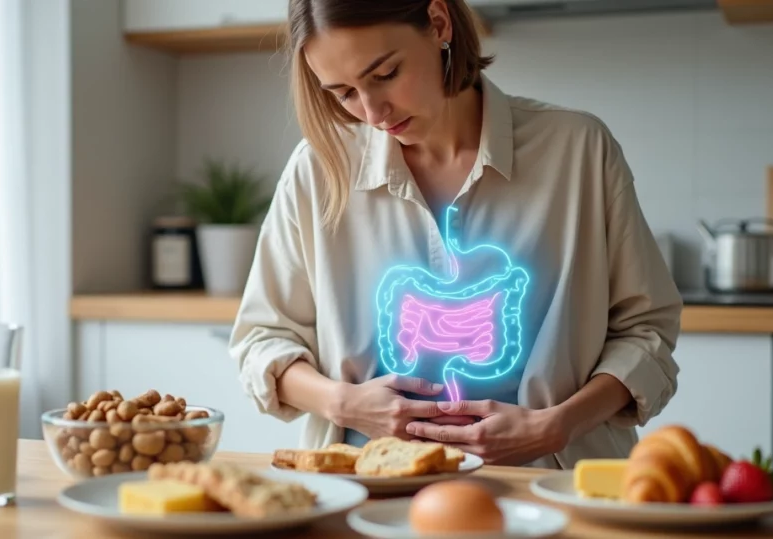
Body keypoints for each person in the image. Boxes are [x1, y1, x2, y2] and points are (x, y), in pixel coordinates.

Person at [229, 0, 682, 469]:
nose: (373, 111)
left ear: (438, 23)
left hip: (550, 482)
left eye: (385, 74)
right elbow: (261, 341)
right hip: (368, 485)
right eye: (344, 93)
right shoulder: (317, 170)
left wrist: (557, 426)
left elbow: (645, 332)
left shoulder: (579, 149)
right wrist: (344, 404)